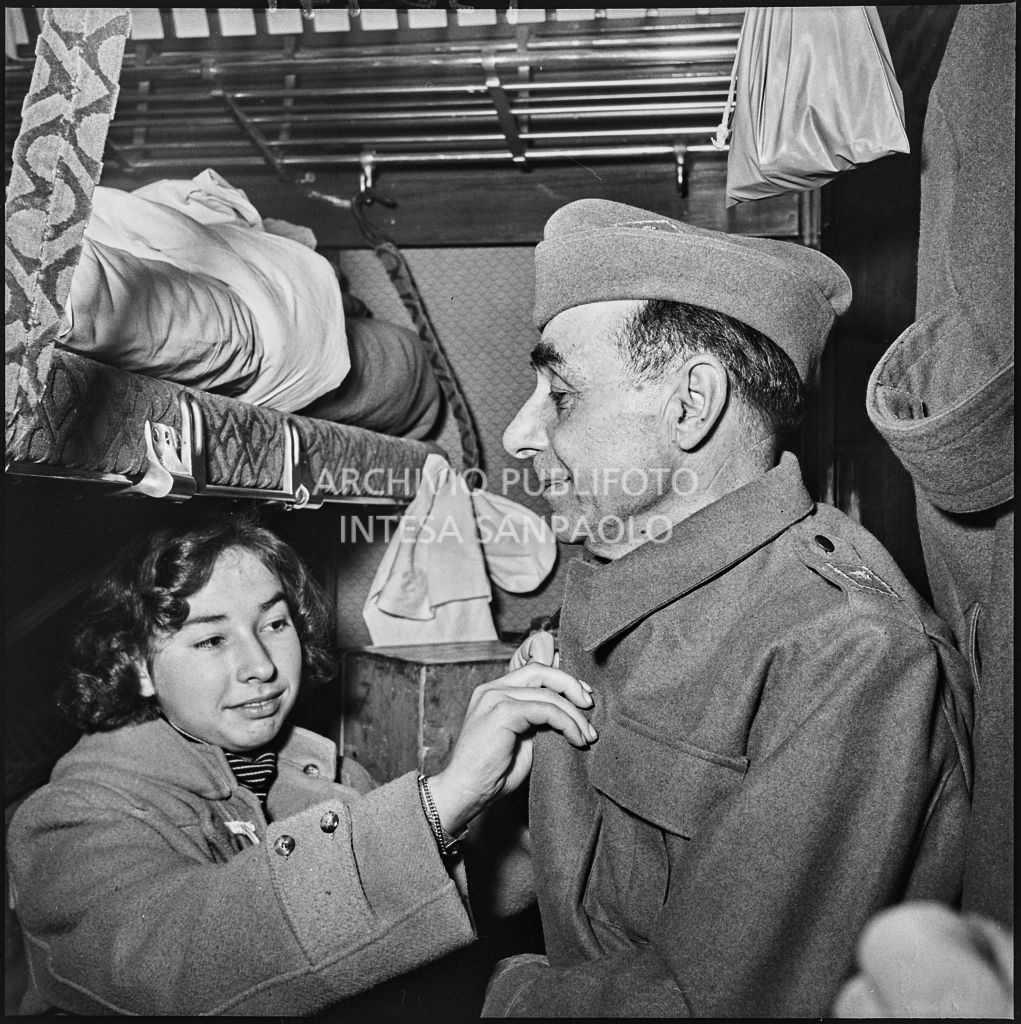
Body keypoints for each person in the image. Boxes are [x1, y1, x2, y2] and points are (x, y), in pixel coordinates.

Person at [481, 199, 974, 1017]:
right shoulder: (631, 580)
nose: (517, 435)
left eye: (560, 395)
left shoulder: (847, 651)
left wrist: (495, 994)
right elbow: (584, 876)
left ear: (691, 404)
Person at [6, 513, 595, 1016]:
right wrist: (443, 800)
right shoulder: (68, 818)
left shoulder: (322, 773)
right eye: (211, 640)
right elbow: (183, 958)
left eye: (274, 623)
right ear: (136, 665)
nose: (261, 665)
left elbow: (455, 898)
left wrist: (529, 781)